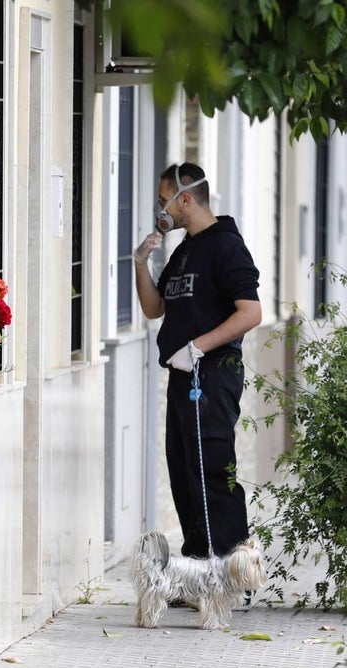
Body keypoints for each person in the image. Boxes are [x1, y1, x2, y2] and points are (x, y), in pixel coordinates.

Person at [133, 162, 262, 559]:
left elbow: (251, 313)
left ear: (184, 198)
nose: (161, 209)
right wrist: (140, 264)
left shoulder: (225, 245)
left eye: (163, 201)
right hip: (181, 377)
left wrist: (198, 348)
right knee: (185, 472)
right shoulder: (187, 247)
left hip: (213, 375)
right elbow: (155, 308)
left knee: (213, 470)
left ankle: (230, 572)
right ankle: (199, 567)